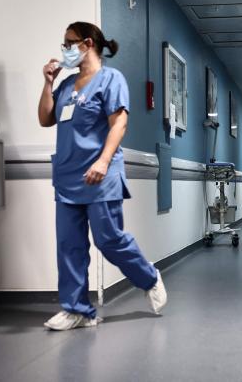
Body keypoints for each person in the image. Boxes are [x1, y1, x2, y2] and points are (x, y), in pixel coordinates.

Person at [38, 21, 167, 330]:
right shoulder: (67, 84)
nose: (65, 49)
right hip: (68, 176)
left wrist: (104, 161)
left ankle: (148, 277)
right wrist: (47, 83)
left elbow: (119, 123)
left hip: (99, 175)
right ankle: (77, 310)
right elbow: (45, 118)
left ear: (87, 44)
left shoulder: (111, 79)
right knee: (70, 246)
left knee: (109, 240)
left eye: (69, 43)